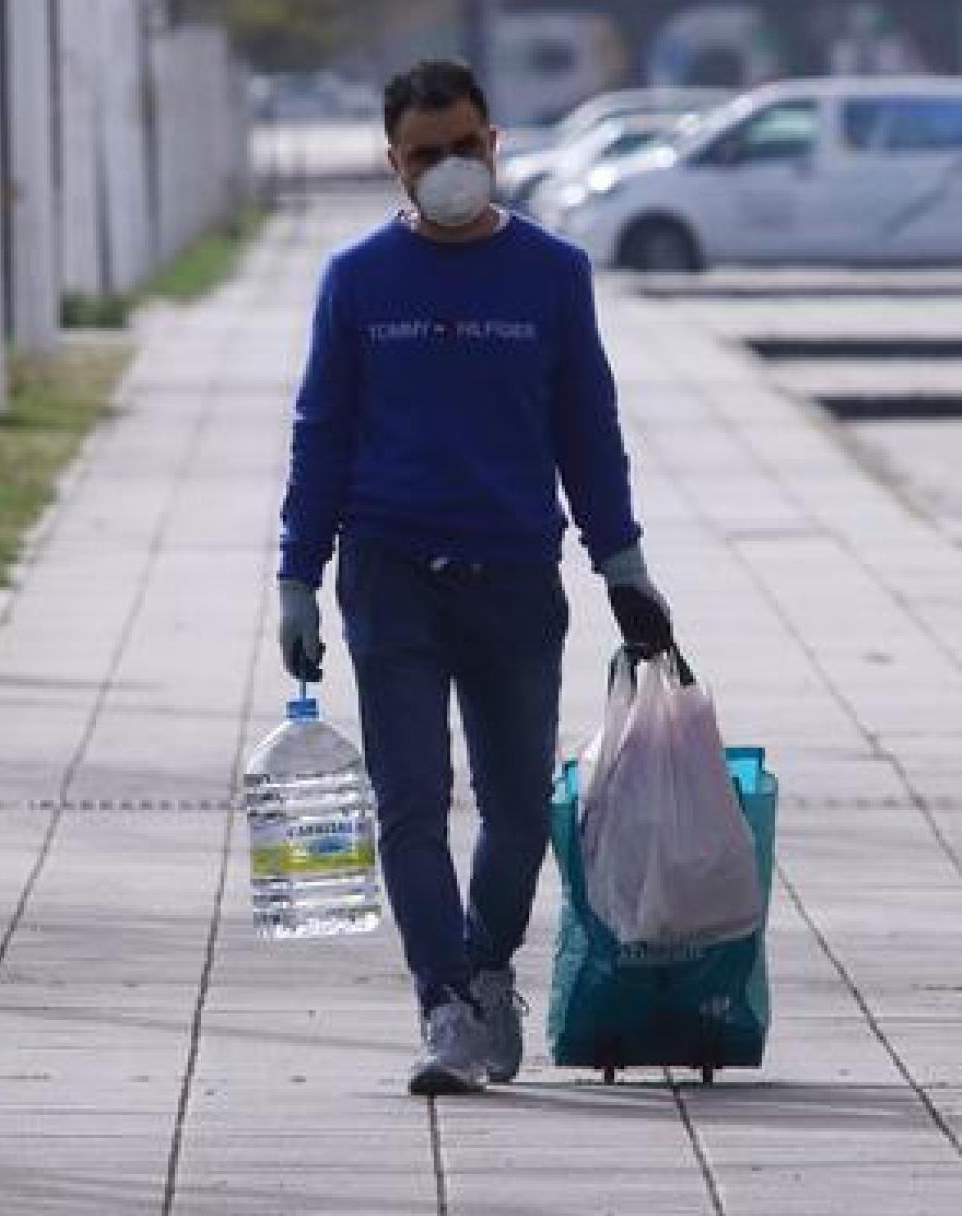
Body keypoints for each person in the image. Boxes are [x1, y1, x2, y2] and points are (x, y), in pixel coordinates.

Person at [275, 59, 671, 1096]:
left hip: (513, 578)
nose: (447, 169)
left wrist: (620, 562)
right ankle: (445, 1005)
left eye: (463, 147)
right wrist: (296, 577)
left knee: (513, 810)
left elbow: (588, 427)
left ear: (493, 143)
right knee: (410, 804)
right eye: (423, 155)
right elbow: (320, 434)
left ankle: (489, 966)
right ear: (393, 164)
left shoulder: (550, 273)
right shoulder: (358, 280)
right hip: (390, 574)